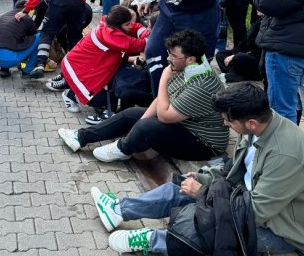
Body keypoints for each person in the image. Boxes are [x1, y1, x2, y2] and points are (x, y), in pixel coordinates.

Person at [90, 83, 304, 256]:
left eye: (227, 120)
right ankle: (119, 209)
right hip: (246, 198)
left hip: (281, 230)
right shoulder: (258, 127)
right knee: (184, 185)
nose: (224, 123)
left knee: (203, 219)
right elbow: (233, 168)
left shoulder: (286, 155)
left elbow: (257, 213)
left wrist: (202, 193)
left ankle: (152, 240)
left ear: (250, 123)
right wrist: (202, 178)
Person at [60, 28, 227, 160]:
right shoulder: (191, 68)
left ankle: (123, 149)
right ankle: (81, 137)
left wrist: (164, 78)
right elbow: (161, 100)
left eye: (173, 56)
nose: (168, 59)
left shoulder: (201, 84)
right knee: (131, 115)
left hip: (203, 144)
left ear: (190, 59)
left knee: (148, 126)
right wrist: (138, 126)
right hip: (186, 124)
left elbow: (164, 117)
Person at [55, 5, 149, 123]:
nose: (131, 26)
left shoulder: (111, 24)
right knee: (102, 99)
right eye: (127, 24)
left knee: (111, 81)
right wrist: (151, 36)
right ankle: (71, 95)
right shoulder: (110, 35)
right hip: (75, 69)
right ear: (117, 25)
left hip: (85, 66)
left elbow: (135, 27)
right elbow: (138, 44)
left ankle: (109, 111)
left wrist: (143, 31)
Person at [15, 0, 86, 78]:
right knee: (74, 37)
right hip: (80, 3)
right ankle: (72, 72)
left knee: (47, 33)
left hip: (60, 0)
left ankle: (40, 65)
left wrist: (26, 10)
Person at [0, 0, 39, 78]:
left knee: (7, 39)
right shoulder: (27, 18)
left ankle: (4, 69)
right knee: (39, 37)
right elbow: (33, 38)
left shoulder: (3, 17)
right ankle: (27, 71)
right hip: (10, 59)